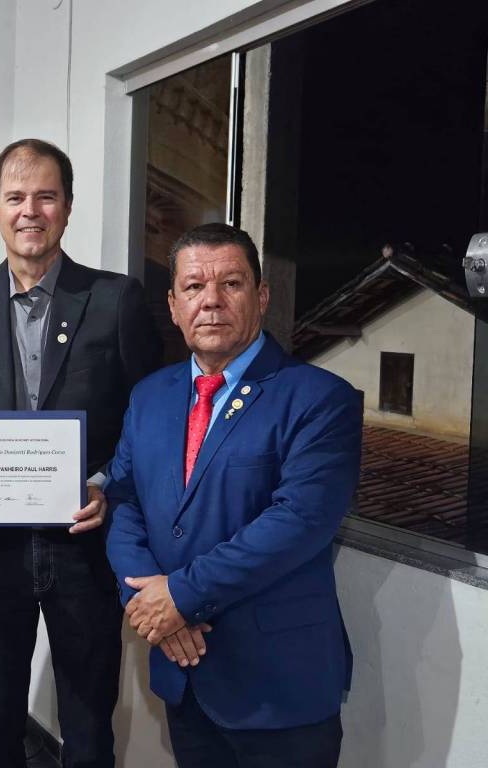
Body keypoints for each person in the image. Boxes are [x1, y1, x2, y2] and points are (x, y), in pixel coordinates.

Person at [0, 139, 159, 767]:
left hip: (83, 546)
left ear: (67, 207)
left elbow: (149, 418)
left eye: (46, 196)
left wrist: (107, 483)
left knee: (89, 731)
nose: (30, 211)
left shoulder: (116, 298)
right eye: (15, 197)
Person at [105, 223, 362, 768]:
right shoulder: (149, 397)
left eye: (231, 283)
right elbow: (124, 501)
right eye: (194, 286)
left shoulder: (321, 399)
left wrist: (178, 597)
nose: (212, 301)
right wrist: (147, 601)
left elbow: (299, 522)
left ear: (261, 296)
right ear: (173, 306)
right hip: (185, 671)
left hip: (279, 685)